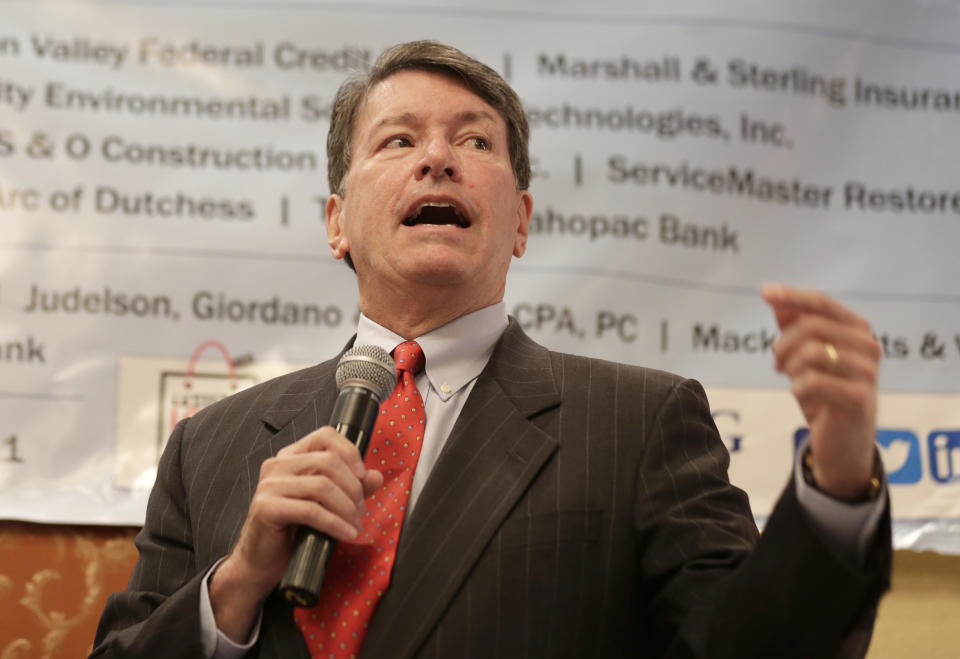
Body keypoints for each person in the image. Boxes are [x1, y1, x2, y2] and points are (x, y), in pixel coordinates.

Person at [91, 41, 890, 658]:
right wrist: (235, 586)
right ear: (337, 222)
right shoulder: (211, 445)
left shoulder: (641, 423)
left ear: (520, 221)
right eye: (397, 141)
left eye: (474, 141)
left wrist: (841, 482)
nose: (437, 157)